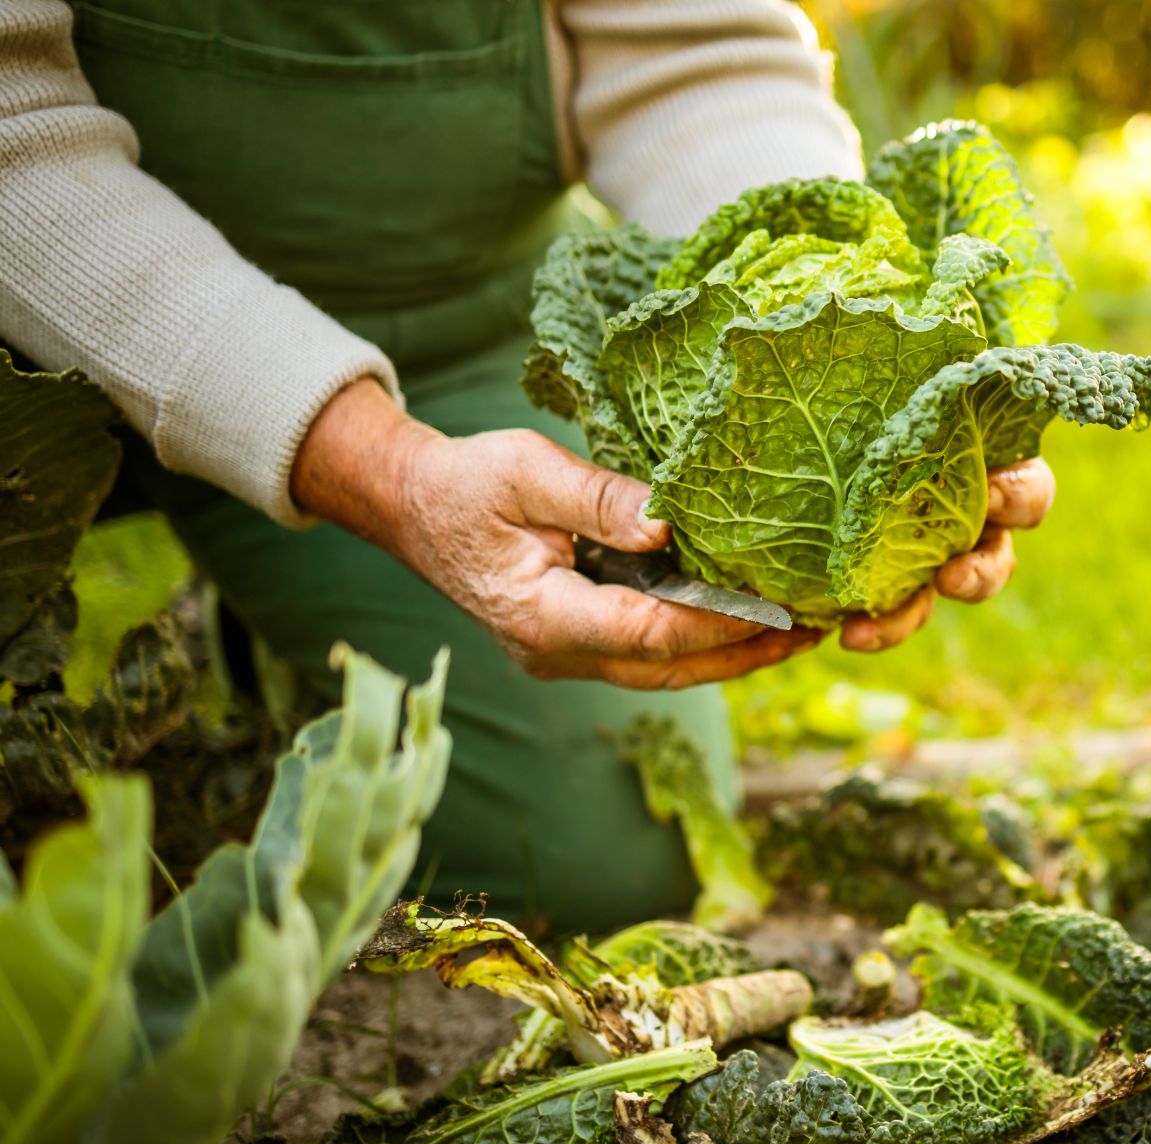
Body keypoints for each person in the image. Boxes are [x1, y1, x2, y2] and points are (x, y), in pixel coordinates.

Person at [0, 0, 1055, 930]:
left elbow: (699, 51)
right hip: (27, 310)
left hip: (437, 325)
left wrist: (857, 343)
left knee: (594, 854)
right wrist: (383, 473)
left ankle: (276, 632)